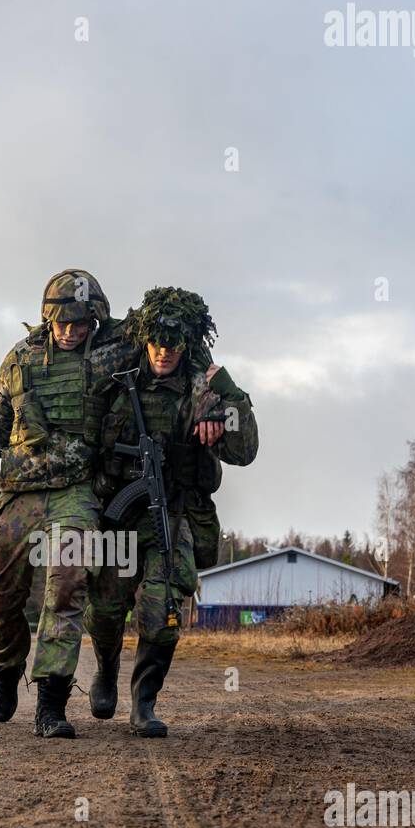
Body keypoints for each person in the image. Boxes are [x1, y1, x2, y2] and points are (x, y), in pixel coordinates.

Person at [0, 270, 136, 738]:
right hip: (20, 489)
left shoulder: (111, 355)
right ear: (47, 317)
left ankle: (51, 703)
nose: (70, 331)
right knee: (2, 594)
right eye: (62, 322)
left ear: (95, 319)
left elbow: (163, 346)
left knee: (66, 588)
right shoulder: (20, 359)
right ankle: (4, 668)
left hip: (76, 493)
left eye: (81, 323)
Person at [84, 286, 258, 736]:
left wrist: (229, 392)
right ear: (145, 339)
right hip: (119, 513)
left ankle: (144, 701)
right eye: (156, 343)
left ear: (187, 345)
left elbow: (245, 450)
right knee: (104, 608)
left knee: (162, 614)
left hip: (173, 512)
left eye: (173, 345)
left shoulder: (204, 391)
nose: (163, 353)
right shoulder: (119, 379)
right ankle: (105, 669)